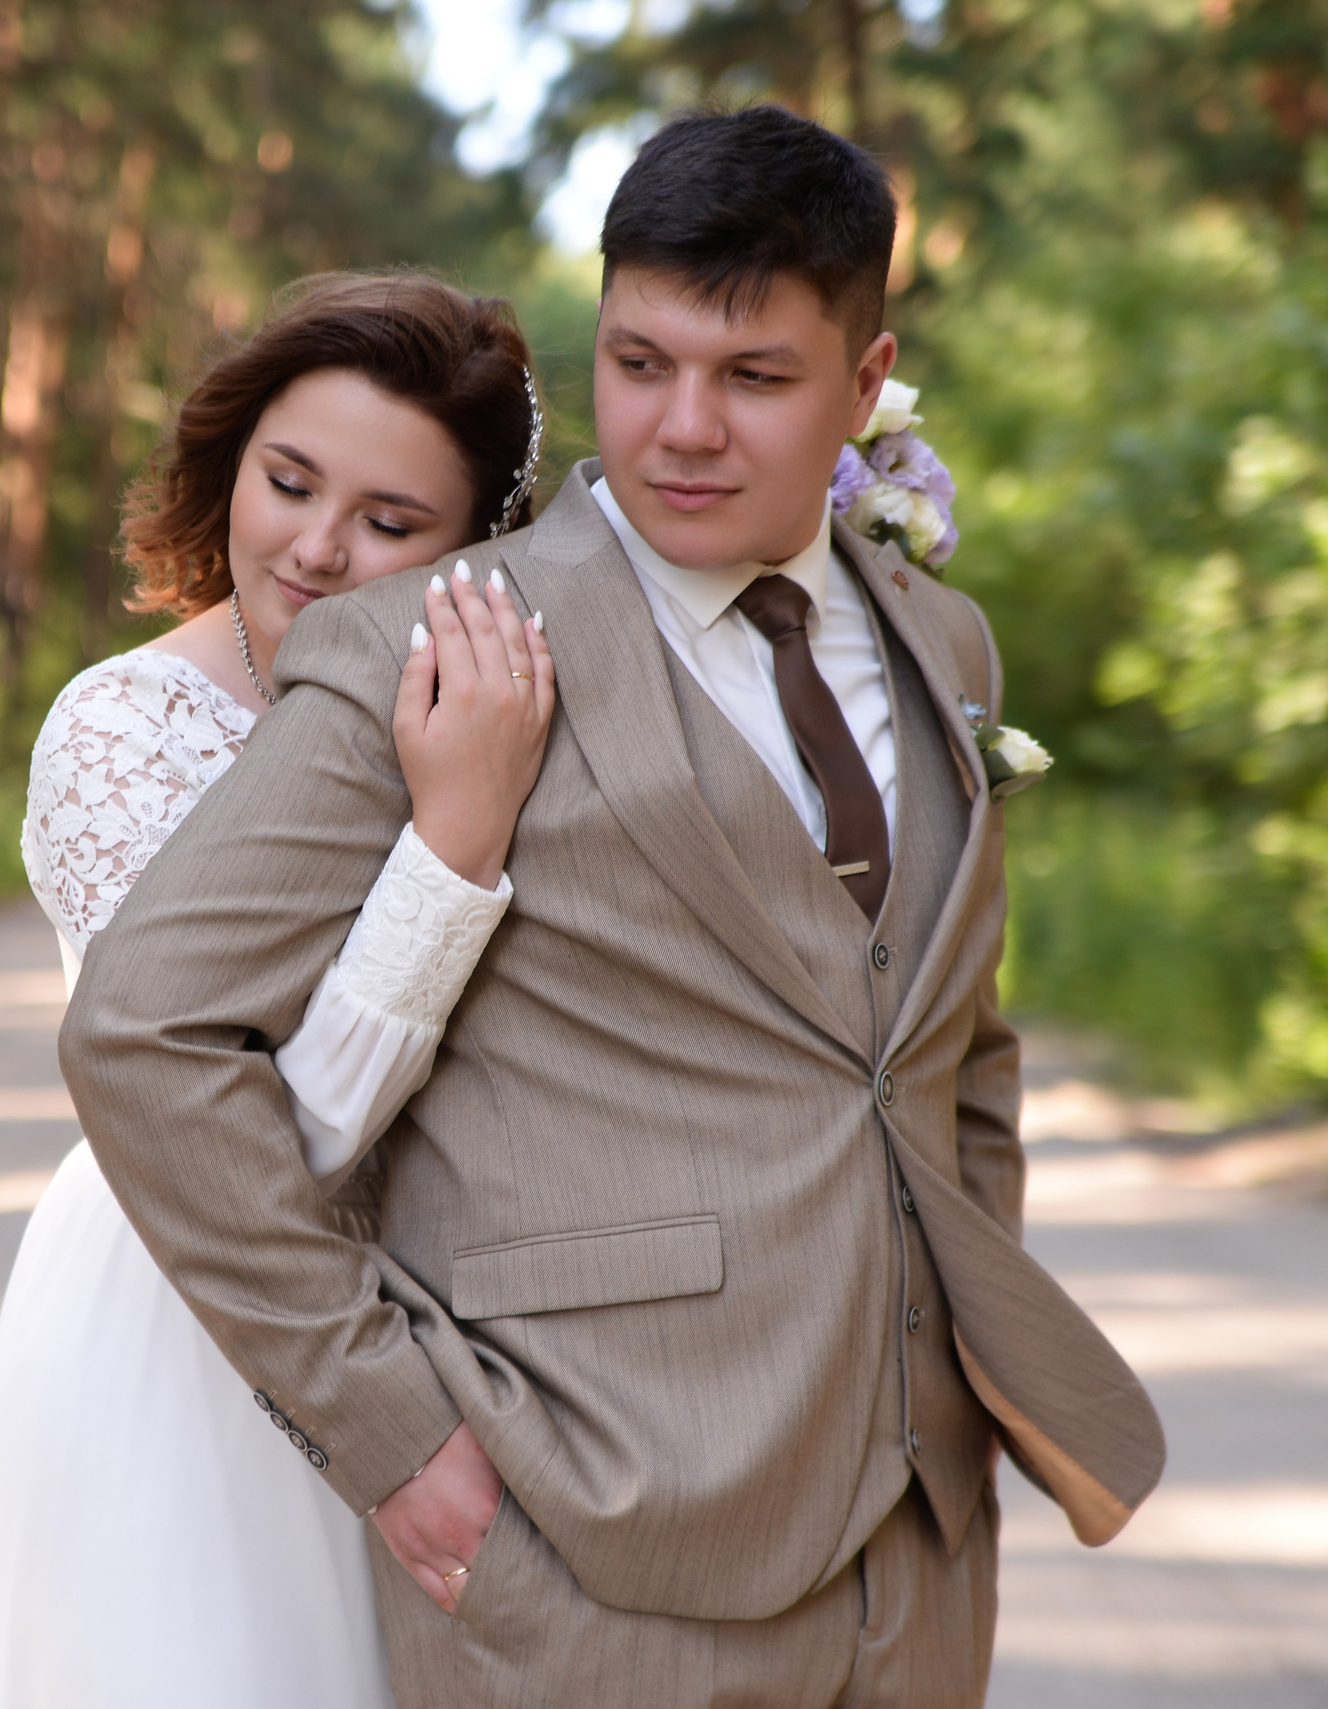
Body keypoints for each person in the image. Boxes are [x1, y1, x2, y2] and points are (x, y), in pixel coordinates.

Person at [60, 105, 1167, 1708]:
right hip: (580, 1557)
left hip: (917, 1565)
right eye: (641, 363)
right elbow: (146, 1034)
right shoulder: (419, 645)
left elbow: (950, 1049)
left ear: (866, 384)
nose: (683, 430)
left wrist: (960, 1386)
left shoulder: (947, 644)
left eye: (757, 378)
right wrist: (391, 1437)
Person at [0, 272, 558, 1708]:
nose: (316, 549)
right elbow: (278, 1123)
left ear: (478, 550)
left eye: (389, 523)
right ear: (228, 460)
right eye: (289, 481)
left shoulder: (496, 711)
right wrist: (456, 844)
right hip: (190, 1311)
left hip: (453, 1320)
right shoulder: (123, 731)